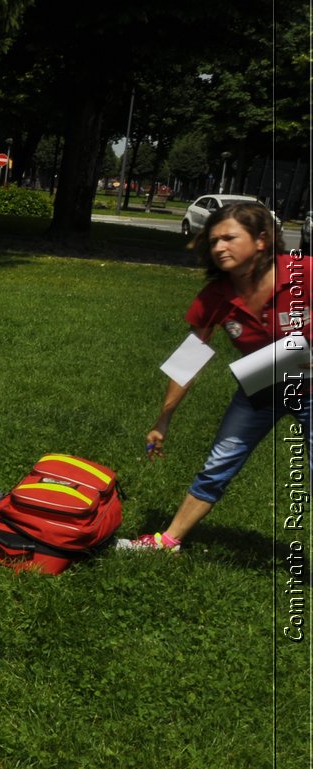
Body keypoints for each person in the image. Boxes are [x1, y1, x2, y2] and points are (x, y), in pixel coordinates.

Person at [120, 202, 307, 552]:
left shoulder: (303, 273)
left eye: (230, 238)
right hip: (263, 388)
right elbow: (189, 360)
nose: (219, 247)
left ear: (262, 240)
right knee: (218, 463)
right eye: (214, 240)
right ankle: (169, 541)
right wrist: (164, 419)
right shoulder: (215, 298)